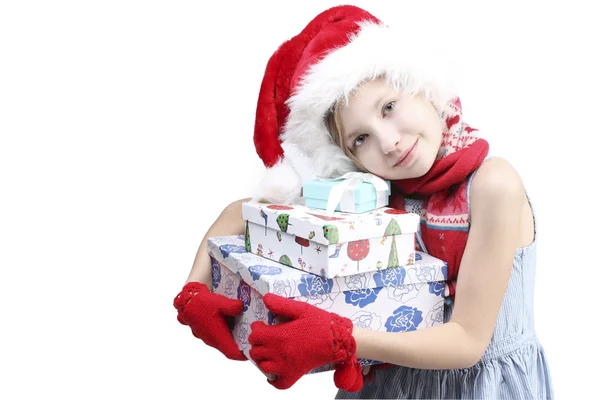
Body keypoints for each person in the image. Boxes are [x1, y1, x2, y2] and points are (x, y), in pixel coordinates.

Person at [173, 5, 554, 399]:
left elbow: (468, 341)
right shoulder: (369, 188)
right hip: (384, 386)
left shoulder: (493, 185)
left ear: (420, 86)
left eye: (389, 107)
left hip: (475, 387)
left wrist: (341, 337)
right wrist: (194, 290)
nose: (388, 143)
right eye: (360, 139)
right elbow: (241, 213)